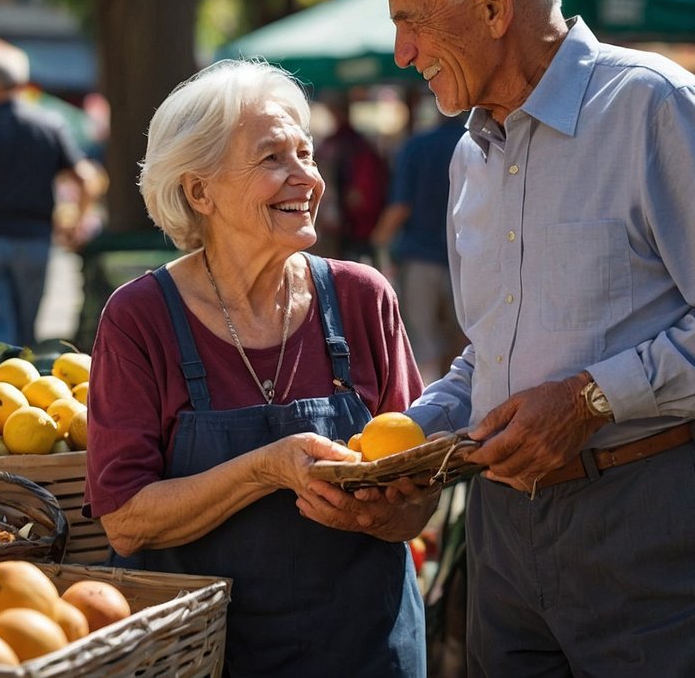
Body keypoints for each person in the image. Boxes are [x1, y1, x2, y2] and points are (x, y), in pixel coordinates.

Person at [366, 0, 695, 677]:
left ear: (494, 2)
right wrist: (413, 444)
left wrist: (590, 400)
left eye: (414, 20)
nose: (402, 51)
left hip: (654, 507)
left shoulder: (652, 104)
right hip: (505, 527)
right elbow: (493, 351)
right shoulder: (473, 151)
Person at [83, 59, 433, 676]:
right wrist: (268, 468)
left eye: (307, 153)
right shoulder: (139, 317)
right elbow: (126, 518)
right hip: (208, 655)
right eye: (273, 159)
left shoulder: (363, 297)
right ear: (199, 191)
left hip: (366, 649)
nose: (306, 178)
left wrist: (382, 510)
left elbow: (419, 495)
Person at [0, 62, 99, 348]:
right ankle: (20, 385)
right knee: (25, 328)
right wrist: (78, 223)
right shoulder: (50, 124)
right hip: (34, 240)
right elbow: (87, 179)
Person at [371, 111, 466, 382]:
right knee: (465, 346)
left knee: (423, 345)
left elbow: (400, 206)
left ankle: (429, 414)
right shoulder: (478, 142)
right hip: (468, 260)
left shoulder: (417, 146)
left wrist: (378, 241)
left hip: (421, 260)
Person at [313, 91, 389, 263]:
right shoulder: (340, 143)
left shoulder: (354, 147)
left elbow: (361, 196)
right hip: (346, 228)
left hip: (356, 229)